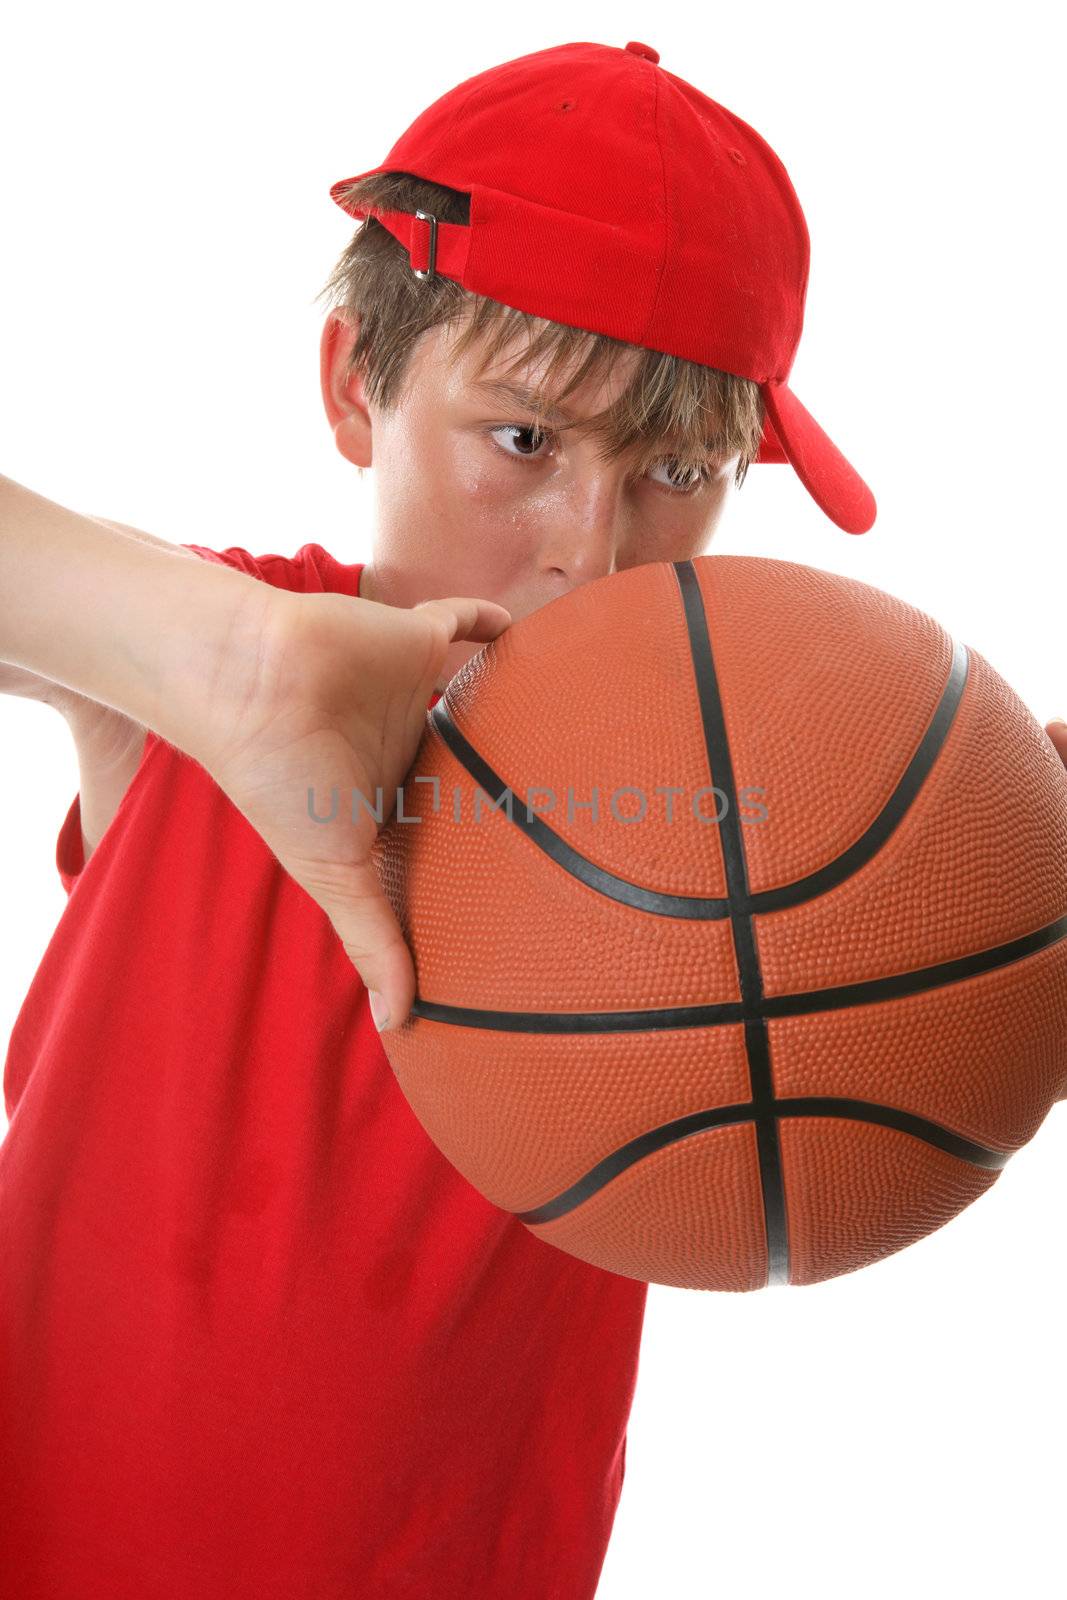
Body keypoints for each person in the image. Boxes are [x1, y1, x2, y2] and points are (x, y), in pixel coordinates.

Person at [2, 34, 1041, 1600]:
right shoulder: (205, 667)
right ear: (358, 387)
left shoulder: (762, 798)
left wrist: (997, 902)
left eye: (680, 467)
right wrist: (219, 658)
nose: (590, 552)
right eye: (525, 440)